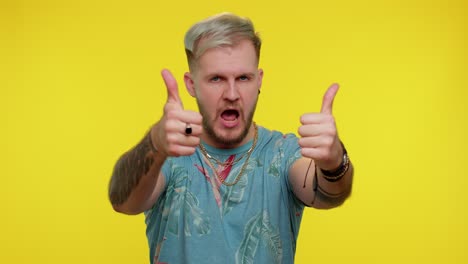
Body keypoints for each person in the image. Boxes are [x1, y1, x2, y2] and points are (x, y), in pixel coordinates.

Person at [108, 12, 353, 264]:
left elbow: (329, 195)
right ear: (191, 85)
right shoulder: (167, 156)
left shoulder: (283, 153)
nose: (232, 94)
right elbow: (122, 201)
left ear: (259, 81)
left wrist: (334, 161)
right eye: (216, 79)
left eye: (243, 78)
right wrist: (154, 144)